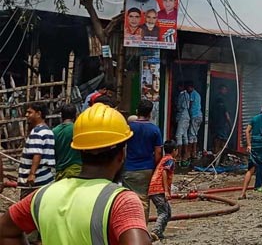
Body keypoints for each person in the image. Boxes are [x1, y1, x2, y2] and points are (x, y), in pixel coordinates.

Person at [0, 103, 151, 245]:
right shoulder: (122, 202)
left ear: (79, 151)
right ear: (121, 155)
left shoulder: (42, 195)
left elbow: (5, 231)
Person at [123, 99, 162, 221]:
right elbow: (158, 152)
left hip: (129, 168)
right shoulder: (155, 130)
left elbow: (123, 148)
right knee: (144, 199)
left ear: (137, 111)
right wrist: (155, 167)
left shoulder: (129, 128)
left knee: (128, 199)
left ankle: (129, 226)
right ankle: (142, 228)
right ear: (150, 113)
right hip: (147, 169)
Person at [18, 103, 55, 200]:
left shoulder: (37, 132)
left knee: (25, 210)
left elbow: (37, 154)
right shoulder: (48, 131)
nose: (27, 115)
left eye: (30, 112)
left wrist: (32, 174)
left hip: (34, 181)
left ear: (38, 114)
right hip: (45, 177)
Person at [148, 140, 178, 241]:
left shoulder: (163, 159)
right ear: (174, 150)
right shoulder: (170, 160)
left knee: (167, 212)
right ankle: (155, 232)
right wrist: (166, 190)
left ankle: (159, 233)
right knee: (164, 213)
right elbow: (165, 172)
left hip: (154, 189)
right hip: (158, 190)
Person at [53, 104, 82, 180]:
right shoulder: (76, 129)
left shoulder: (54, 131)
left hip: (59, 171)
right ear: (75, 115)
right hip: (75, 169)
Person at [213, 85, 232, 156]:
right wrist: (230, 124)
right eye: (224, 90)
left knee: (217, 138)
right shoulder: (223, 100)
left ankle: (216, 153)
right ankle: (223, 155)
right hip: (222, 124)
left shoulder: (216, 99)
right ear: (220, 90)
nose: (226, 91)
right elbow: (227, 115)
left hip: (217, 123)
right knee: (224, 139)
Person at [186, 82, 203, 162]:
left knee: (191, 134)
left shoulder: (193, 94)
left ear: (191, 87)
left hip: (194, 116)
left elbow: (190, 104)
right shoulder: (198, 94)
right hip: (199, 116)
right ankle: (194, 152)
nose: (188, 90)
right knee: (195, 134)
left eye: (188, 88)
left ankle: (189, 153)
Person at [175, 82, 191, 166]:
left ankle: (179, 155)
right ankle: (185, 155)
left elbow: (182, 106)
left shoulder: (183, 95)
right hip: (186, 116)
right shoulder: (187, 95)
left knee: (179, 135)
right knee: (185, 136)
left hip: (183, 115)